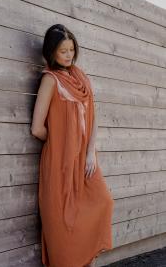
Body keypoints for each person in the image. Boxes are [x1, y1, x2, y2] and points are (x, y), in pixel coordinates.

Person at [31, 24, 114, 267]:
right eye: (63, 51)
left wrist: (90, 152)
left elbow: (93, 117)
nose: (69, 55)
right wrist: (63, 142)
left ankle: (86, 261)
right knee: (63, 223)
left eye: (71, 49)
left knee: (103, 202)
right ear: (51, 52)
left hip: (86, 160)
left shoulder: (80, 78)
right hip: (59, 162)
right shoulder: (50, 80)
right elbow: (37, 128)